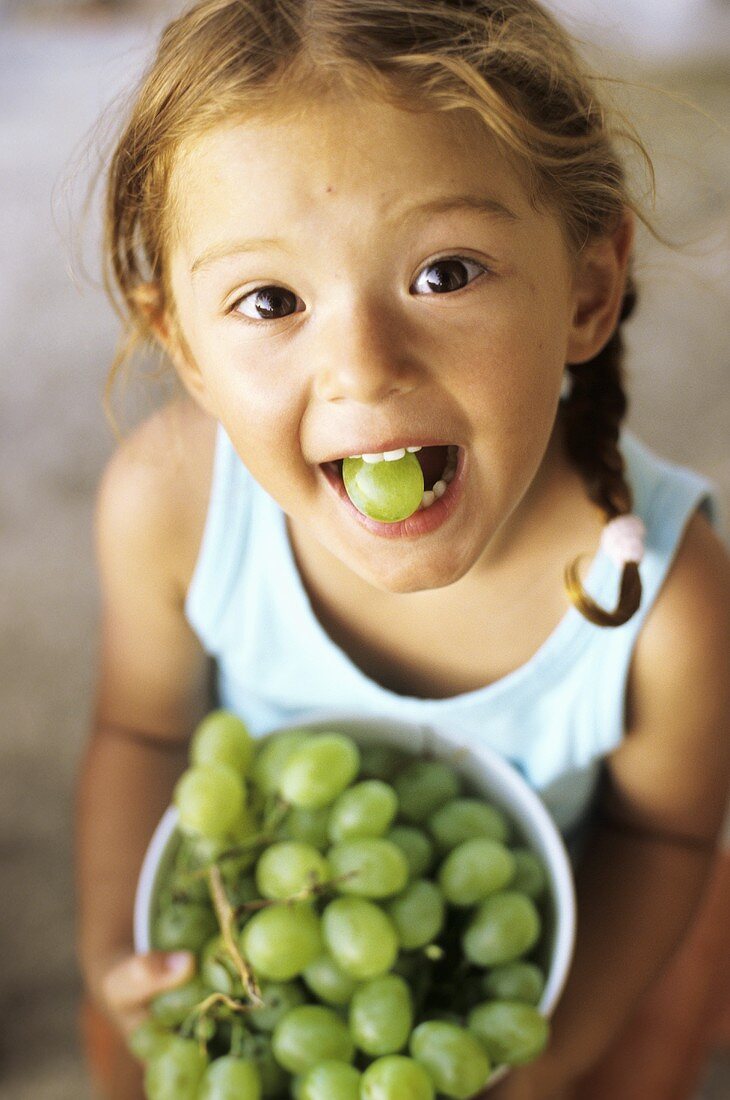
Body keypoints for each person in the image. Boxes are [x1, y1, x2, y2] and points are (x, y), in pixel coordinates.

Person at [74, 1, 730, 1097]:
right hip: (277, 904)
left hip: (552, 906)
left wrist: (552, 1047)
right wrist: (110, 946)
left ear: (587, 286)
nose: (364, 367)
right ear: (183, 345)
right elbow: (141, 727)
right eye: (271, 299)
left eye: (443, 273)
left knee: (673, 988)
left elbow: (658, 839)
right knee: (123, 1046)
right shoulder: (169, 502)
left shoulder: (667, 602)